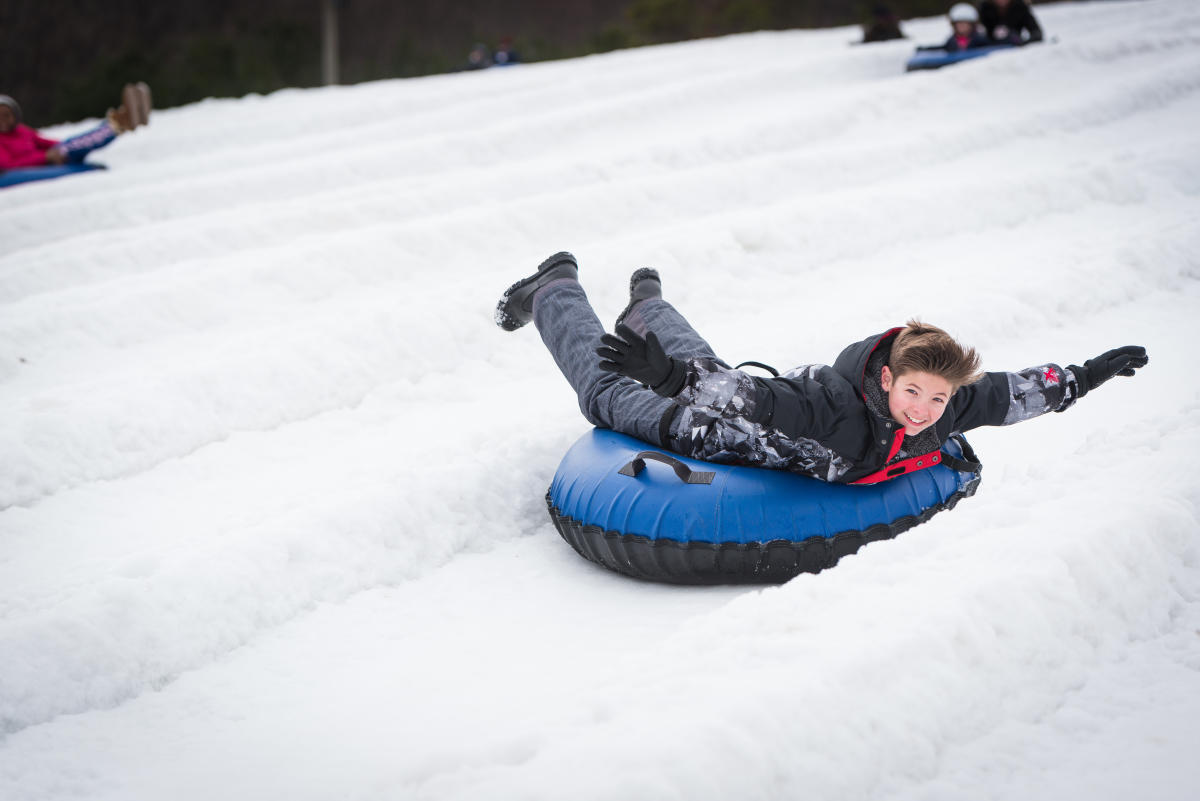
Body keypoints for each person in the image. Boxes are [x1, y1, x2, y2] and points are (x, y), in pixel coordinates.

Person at [494, 252, 1148, 485]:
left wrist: (1086, 375)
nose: (924, 411)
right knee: (606, 389)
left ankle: (648, 306)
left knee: (699, 361)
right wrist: (667, 382)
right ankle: (554, 289)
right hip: (703, 427)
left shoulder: (945, 405)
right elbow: (751, 398)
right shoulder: (834, 409)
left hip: (729, 404)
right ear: (887, 380)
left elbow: (1012, 394)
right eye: (913, 392)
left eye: (937, 398)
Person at [0, 83, 150, 172]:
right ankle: (122, 122)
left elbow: (47, 143)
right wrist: (45, 157)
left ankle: (124, 117)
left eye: (7, 115)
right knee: (75, 144)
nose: (3, 120)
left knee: (75, 143)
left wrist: (58, 149)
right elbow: (8, 165)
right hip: (43, 164)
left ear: (15, 116)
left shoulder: (22, 131)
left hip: (55, 158)